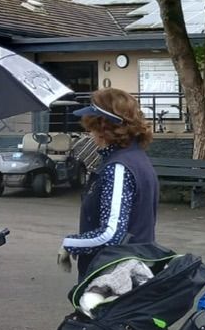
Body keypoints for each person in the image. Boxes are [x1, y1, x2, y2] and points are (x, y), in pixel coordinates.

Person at [57, 89, 159, 279]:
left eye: (91, 125)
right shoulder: (136, 158)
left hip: (115, 277)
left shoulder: (118, 167)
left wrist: (70, 243)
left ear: (103, 127)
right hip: (135, 270)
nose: (89, 132)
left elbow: (112, 234)